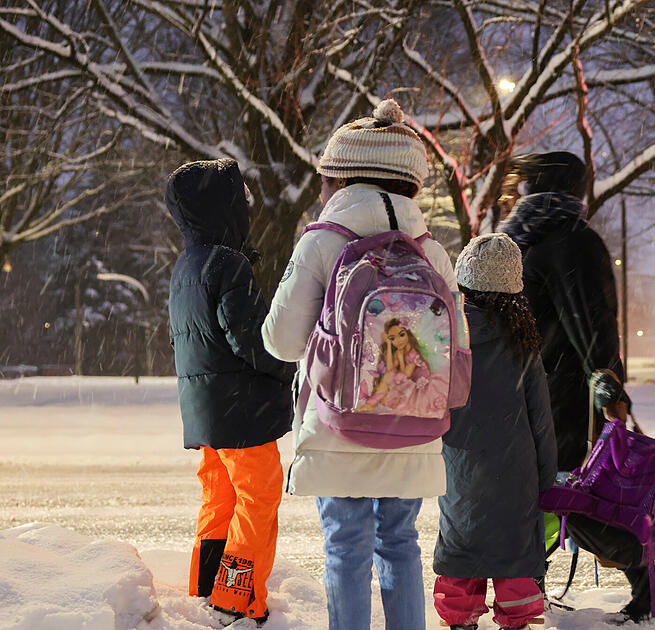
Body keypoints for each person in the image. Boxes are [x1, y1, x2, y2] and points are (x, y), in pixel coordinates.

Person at [262, 99, 462, 630]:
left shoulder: (322, 243)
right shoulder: (433, 253)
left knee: (346, 547)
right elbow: (456, 353)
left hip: (339, 425)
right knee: (400, 543)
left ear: (341, 178)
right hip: (414, 425)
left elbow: (281, 341)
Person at [498, 152, 655, 624]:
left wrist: (603, 382)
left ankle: (535, 590)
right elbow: (589, 324)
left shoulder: (536, 240)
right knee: (569, 497)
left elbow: (583, 322)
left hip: (543, 394)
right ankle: (645, 597)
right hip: (552, 394)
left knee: (557, 498)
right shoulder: (559, 239)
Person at [166, 158, 294, 626]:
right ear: (224, 208)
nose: (247, 209)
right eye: (241, 201)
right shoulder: (227, 263)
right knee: (258, 497)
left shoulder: (185, 266)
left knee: (220, 498)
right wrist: (290, 368)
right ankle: (235, 598)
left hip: (205, 411)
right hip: (242, 412)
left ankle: (208, 584)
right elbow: (252, 340)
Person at [432, 233, 558, 630]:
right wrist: (546, 478)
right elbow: (541, 418)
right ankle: (516, 615)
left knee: (461, 541)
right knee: (513, 548)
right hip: (516, 470)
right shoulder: (522, 341)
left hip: (459, 464)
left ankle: (459, 616)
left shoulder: (447, 335)